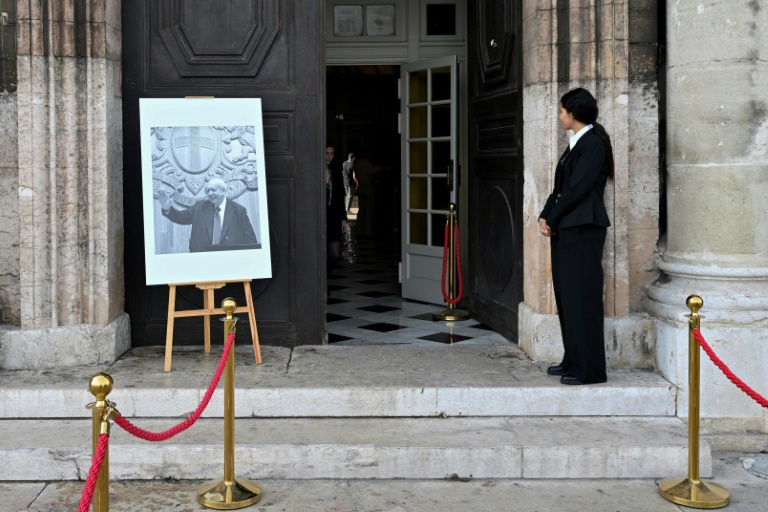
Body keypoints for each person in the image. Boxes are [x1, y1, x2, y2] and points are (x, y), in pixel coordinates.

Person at [538, 88, 614, 386]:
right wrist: (547, 213)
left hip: (583, 228)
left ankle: (589, 370)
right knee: (568, 296)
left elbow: (579, 189)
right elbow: (561, 188)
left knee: (583, 299)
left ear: (573, 112)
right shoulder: (577, 142)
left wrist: (553, 218)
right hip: (569, 227)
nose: (559, 116)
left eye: (561, 111)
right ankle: (573, 360)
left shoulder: (592, 143)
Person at [157, 177, 258, 253]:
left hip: (231, 258)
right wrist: (167, 208)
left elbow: (250, 238)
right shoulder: (199, 207)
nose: (210, 193)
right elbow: (182, 217)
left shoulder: (239, 210)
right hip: (202, 257)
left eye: (213, 190)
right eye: (207, 190)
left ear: (224, 190)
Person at [325, 145, 348, 277]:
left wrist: (343, 218)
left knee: (334, 254)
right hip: (320, 216)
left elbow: (340, 195)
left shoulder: (335, 169)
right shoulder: (315, 169)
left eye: (332, 153)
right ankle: (321, 286)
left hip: (334, 216)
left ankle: (324, 278)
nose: (329, 157)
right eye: (327, 153)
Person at [353, 152, 378, 236]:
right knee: (369, 209)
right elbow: (370, 175)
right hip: (368, 186)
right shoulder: (368, 164)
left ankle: (359, 229)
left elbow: (355, 175)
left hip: (361, 186)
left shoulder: (358, 163)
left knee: (361, 209)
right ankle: (367, 230)